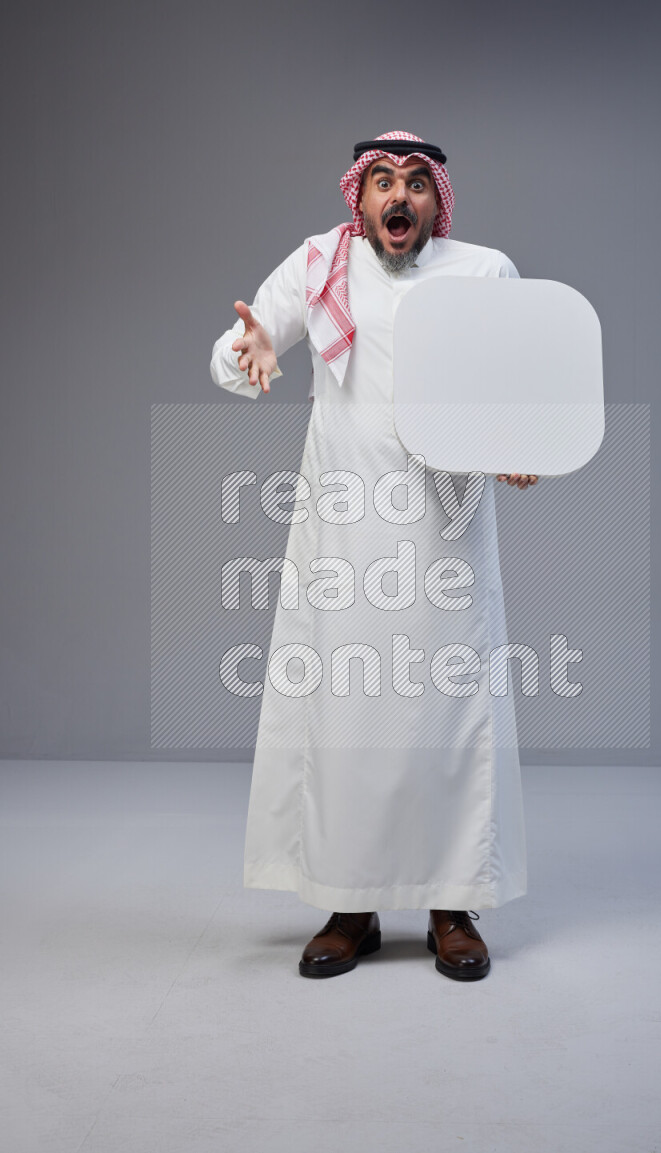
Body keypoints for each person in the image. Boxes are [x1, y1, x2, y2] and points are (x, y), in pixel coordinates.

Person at [210, 131, 538, 981]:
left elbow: (518, 392)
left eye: (418, 183)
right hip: (346, 528)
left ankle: (451, 905)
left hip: (447, 529)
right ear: (359, 199)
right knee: (347, 710)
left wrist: (521, 442)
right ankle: (349, 905)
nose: (401, 196)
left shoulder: (484, 273)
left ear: (438, 201)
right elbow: (244, 346)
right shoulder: (320, 263)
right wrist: (244, 356)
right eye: (384, 182)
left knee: (447, 713)